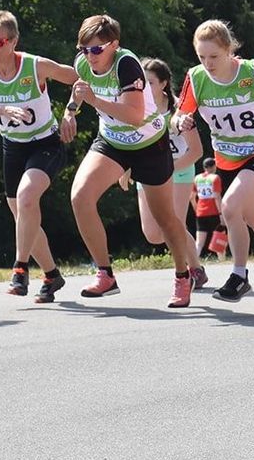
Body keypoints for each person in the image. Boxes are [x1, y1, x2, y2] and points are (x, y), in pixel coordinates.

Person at [60, 15, 194, 308]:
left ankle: (184, 275)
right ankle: (105, 273)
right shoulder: (84, 63)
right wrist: (70, 111)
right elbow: (80, 89)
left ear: (114, 45)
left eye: (96, 50)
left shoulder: (126, 64)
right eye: (84, 49)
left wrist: (94, 101)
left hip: (148, 143)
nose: (89, 56)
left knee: (165, 219)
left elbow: (134, 116)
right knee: (80, 197)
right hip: (112, 142)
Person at [175, 19, 254, 302]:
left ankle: (239, 276)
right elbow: (179, 114)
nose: (208, 63)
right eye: (202, 56)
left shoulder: (251, 71)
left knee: (230, 207)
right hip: (228, 158)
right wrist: (181, 120)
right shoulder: (195, 78)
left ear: (229, 50)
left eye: (214, 56)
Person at [0, 10, 78, 302]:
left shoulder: (35, 66)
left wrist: (70, 111)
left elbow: (82, 79)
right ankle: (51, 275)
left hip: (46, 143)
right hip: (12, 147)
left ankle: (20, 269)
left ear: (14, 41)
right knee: (23, 216)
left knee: (26, 199)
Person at [119, 58, 209, 291]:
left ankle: (193, 270)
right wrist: (126, 168)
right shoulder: (135, 107)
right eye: (140, 82)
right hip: (148, 170)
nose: (143, 88)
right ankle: (194, 266)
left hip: (179, 170)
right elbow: (130, 142)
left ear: (164, 83)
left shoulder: (179, 110)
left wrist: (169, 170)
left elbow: (196, 151)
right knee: (153, 234)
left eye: (149, 82)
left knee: (174, 223)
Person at [193, 158, 224, 259]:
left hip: (200, 212)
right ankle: (222, 260)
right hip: (214, 211)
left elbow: (192, 197)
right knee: (219, 237)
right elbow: (217, 197)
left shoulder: (197, 178)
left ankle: (193, 262)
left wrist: (196, 209)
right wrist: (221, 214)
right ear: (213, 166)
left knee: (199, 242)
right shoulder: (215, 178)